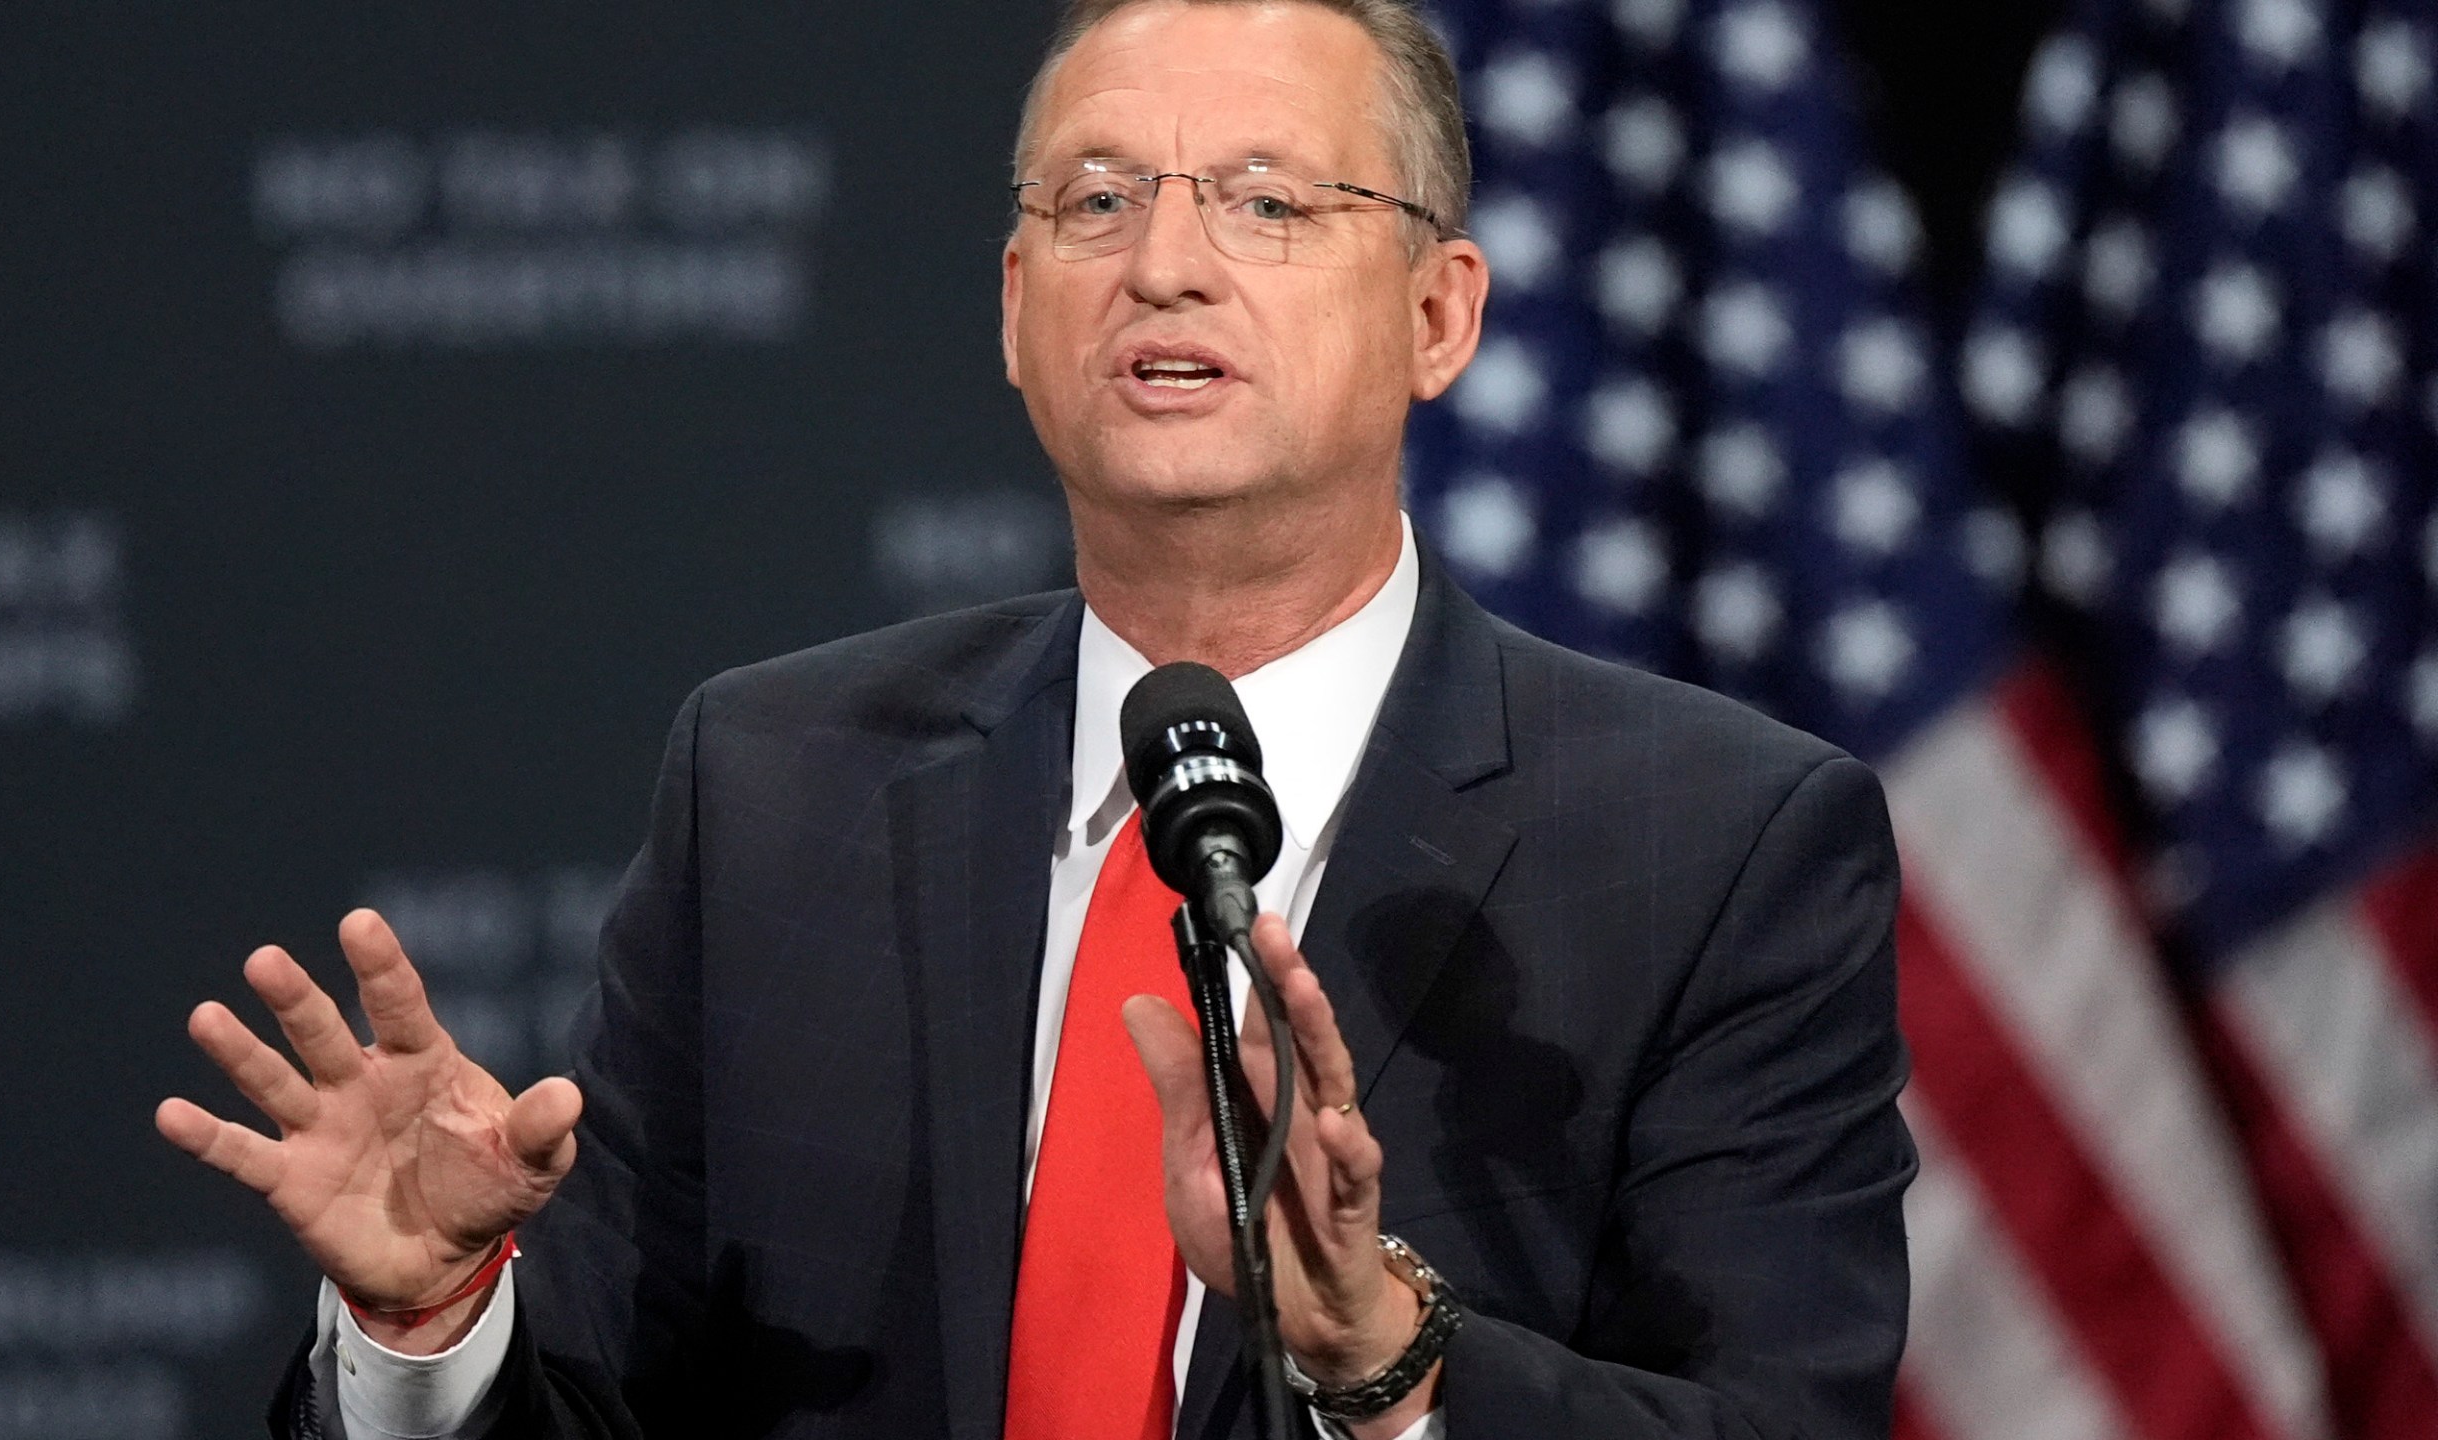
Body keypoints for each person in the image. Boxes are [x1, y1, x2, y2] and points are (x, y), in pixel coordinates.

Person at [156, 2, 1916, 1436]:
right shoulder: (776, 794)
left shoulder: (1716, 845)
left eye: (1267, 201)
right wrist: (428, 1323)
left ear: (1440, 316)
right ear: (1015, 314)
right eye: (1093, 200)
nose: (1163, 263)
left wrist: (1388, 1362)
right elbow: (606, 1402)